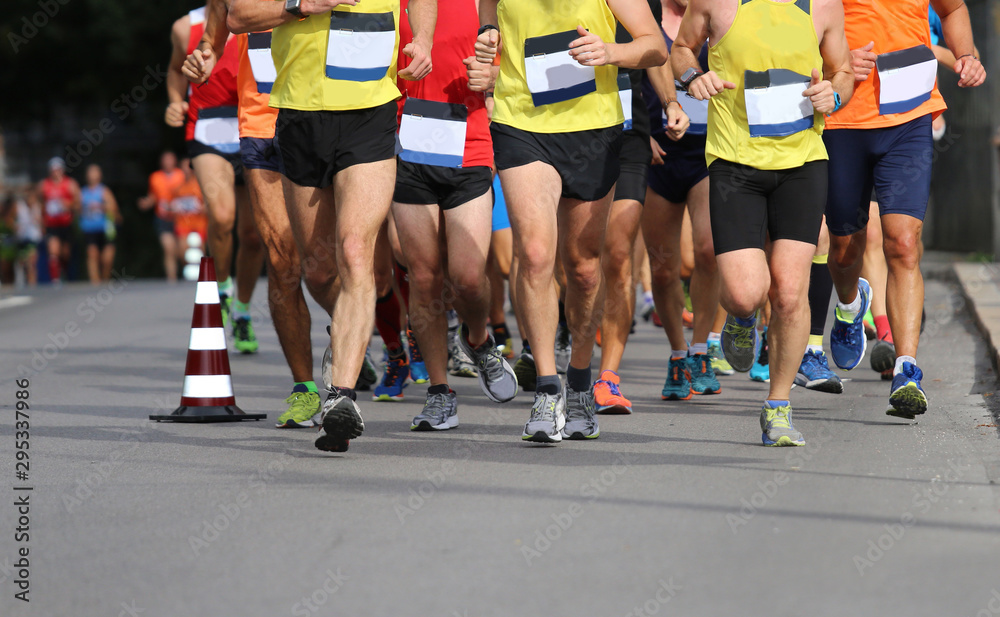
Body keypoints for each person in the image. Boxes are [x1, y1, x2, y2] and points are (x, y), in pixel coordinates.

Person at [228, 0, 436, 452]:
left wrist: (423, 38)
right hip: (298, 114)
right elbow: (239, 16)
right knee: (319, 273)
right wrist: (302, 5)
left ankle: (340, 400)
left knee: (356, 250)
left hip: (371, 111)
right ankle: (347, 333)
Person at [473, 0, 667, 443]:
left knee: (582, 267)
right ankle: (546, 385)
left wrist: (611, 53)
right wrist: (488, 29)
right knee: (537, 254)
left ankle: (580, 377)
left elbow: (655, 46)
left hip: (592, 129)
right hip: (520, 120)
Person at [672, 0, 854, 446]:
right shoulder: (716, 3)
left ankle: (778, 406)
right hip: (735, 164)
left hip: (803, 164)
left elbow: (844, 70)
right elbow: (680, 49)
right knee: (741, 293)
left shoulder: (823, 6)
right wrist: (694, 77)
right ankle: (739, 319)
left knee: (790, 294)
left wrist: (832, 94)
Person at [824, 0, 985, 419]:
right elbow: (792, 21)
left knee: (903, 241)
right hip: (842, 119)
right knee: (843, 248)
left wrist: (966, 55)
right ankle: (848, 305)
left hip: (909, 114)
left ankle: (906, 368)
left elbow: (953, 10)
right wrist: (831, 60)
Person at [390, 0, 517, 431]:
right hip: (411, 146)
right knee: (423, 276)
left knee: (466, 277)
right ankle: (440, 391)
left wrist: (495, 78)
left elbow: (519, 64)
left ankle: (479, 340)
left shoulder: (489, 6)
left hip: (471, 146)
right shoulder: (395, 4)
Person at [595, 0, 689, 413]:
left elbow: (654, 50)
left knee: (618, 253)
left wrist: (670, 103)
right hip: (559, 130)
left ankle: (606, 378)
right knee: (566, 263)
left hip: (628, 133)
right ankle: (557, 358)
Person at [166, 5, 265, 352]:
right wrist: (176, 101)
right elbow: (177, 69)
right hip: (208, 127)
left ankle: (241, 311)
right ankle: (221, 288)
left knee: (253, 236)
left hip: (255, 125)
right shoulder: (185, 27)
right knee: (222, 217)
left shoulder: (263, 13)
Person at [642, 0, 722, 401]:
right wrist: (645, 133)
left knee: (708, 251)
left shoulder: (718, 15)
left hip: (708, 151)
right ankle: (677, 354)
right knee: (662, 266)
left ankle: (702, 349)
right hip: (658, 154)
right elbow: (625, 74)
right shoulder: (644, 15)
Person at [138, 151, 185, 282]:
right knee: (168, 248)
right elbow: (153, 196)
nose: (168, 162)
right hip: (162, 218)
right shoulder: (155, 177)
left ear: (175, 161)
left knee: (182, 250)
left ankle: (187, 275)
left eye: (170, 159)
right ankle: (172, 278)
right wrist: (146, 203)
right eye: (165, 159)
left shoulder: (181, 175)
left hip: (180, 218)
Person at [39, 156, 80, 284]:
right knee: (53, 251)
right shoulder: (44, 185)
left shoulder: (70, 184)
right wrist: (41, 222)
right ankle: (55, 280)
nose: (55, 172)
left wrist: (67, 205)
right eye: (53, 170)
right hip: (52, 224)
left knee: (65, 254)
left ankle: (66, 273)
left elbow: (78, 204)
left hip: (66, 224)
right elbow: (40, 204)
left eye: (58, 169)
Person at [78, 164, 120, 284]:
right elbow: (78, 209)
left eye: (95, 172)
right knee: (92, 254)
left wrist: (101, 206)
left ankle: (105, 279)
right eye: (91, 172)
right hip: (89, 229)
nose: (93, 175)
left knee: (107, 259)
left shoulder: (104, 191)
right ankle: (95, 283)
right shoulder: (83, 193)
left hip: (106, 229)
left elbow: (114, 208)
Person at [171, 158, 208, 260]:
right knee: (183, 253)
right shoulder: (177, 186)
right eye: (183, 166)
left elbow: (208, 205)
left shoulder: (200, 185)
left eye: (188, 166)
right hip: (182, 223)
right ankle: (187, 274)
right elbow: (172, 205)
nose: (186, 169)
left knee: (200, 253)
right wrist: (173, 208)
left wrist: (201, 208)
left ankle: (201, 273)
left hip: (199, 223)